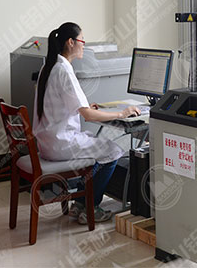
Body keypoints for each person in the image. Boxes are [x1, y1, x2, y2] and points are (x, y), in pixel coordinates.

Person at [32, 22, 141, 223]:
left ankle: (80, 203)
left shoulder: (49, 67)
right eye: (82, 41)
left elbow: (58, 104)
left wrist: (86, 107)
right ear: (70, 42)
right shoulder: (64, 70)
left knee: (98, 145)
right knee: (113, 151)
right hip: (61, 144)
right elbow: (88, 116)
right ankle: (91, 207)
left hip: (48, 142)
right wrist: (122, 113)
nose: (84, 45)